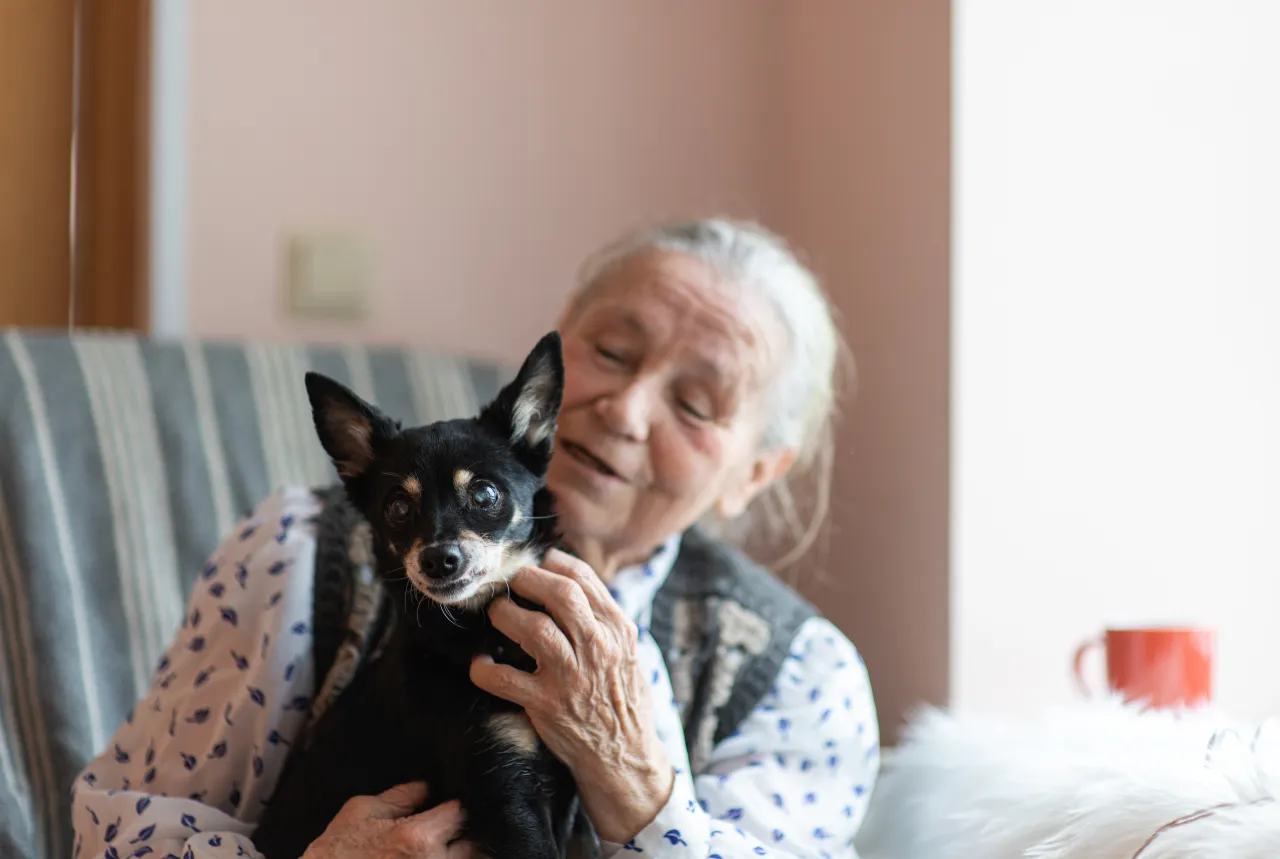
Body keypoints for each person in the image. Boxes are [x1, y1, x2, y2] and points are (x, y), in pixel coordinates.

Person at [70, 218, 880, 859]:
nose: (628, 411)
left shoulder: (801, 676)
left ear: (756, 473)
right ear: (550, 362)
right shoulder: (299, 553)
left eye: (698, 404)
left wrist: (635, 782)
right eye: (611, 351)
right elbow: (119, 832)